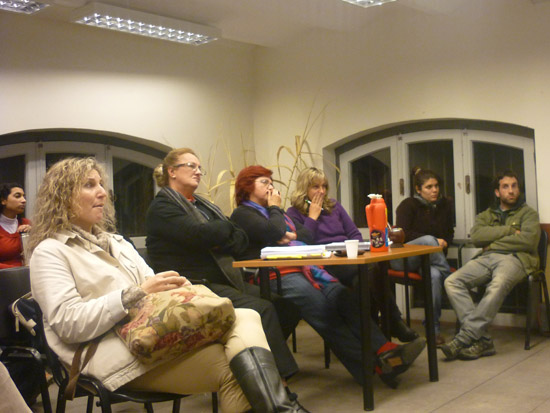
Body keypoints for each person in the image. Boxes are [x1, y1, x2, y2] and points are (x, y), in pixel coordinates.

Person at [28, 157, 306, 413]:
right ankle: (285, 407)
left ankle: (283, 408)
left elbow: (154, 288)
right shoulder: (50, 252)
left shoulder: (117, 243)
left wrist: (176, 288)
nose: (102, 192)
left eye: (101, 184)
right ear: (62, 196)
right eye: (89, 185)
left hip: (151, 335)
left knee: (247, 318)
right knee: (241, 370)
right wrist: (135, 294)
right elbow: (69, 324)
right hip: (105, 352)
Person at [231, 165, 426, 389]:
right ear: (247, 187)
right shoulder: (243, 214)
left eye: (271, 182)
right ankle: (374, 366)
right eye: (264, 182)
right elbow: (275, 232)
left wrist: (288, 233)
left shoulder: (278, 214)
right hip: (276, 274)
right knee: (324, 312)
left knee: (345, 298)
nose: (271, 187)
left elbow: (305, 236)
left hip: (307, 268)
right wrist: (277, 213)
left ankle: (385, 349)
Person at [145, 149, 302, 394]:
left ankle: (250, 362)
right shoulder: (162, 207)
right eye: (191, 166)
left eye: (200, 167)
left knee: (287, 307)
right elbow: (201, 235)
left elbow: (239, 239)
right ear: (172, 171)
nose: (198, 171)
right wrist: (221, 231)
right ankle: (274, 386)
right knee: (262, 309)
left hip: (224, 280)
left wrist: (219, 234)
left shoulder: (202, 206)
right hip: (192, 286)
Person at [286, 167, 419, 343]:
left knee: (364, 278)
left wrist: (356, 249)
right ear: (304, 189)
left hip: (348, 256)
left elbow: (354, 233)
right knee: (369, 273)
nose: (322, 191)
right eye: (316, 187)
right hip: (324, 262)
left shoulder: (334, 206)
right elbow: (303, 242)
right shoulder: (293, 213)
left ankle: (372, 336)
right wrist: (313, 217)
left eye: (324, 186)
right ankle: (392, 323)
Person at [441, 171, 540, 361]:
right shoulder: (487, 214)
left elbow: (528, 241)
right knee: (452, 281)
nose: (511, 191)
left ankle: (465, 337)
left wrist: (493, 244)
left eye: (514, 186)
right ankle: (483, 339)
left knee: (498, 283)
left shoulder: (529, 214)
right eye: (505, 186)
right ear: (497, 192)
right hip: (486, 258)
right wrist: (510, 230)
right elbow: (477, 237)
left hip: (516, 258)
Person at [390, 168, 454, 345]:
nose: (435, 190)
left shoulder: (444, 206)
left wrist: (445, 242)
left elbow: (449, 233)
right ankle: (453, 281)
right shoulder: (407, 205)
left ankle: (433, 330)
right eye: (429, 187)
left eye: (436, 186)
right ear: (418, 189)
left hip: (431, 260)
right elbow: (402, 235)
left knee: (434, 276)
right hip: (405, 258)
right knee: (428, 240)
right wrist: (433, 241)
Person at [0, 183, 31, 268]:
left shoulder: (26, 223)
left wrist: (34, 234)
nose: (24, 200)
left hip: (27, 273)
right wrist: (16, 271)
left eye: (24, 196)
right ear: (3, 201)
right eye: (18, 196)